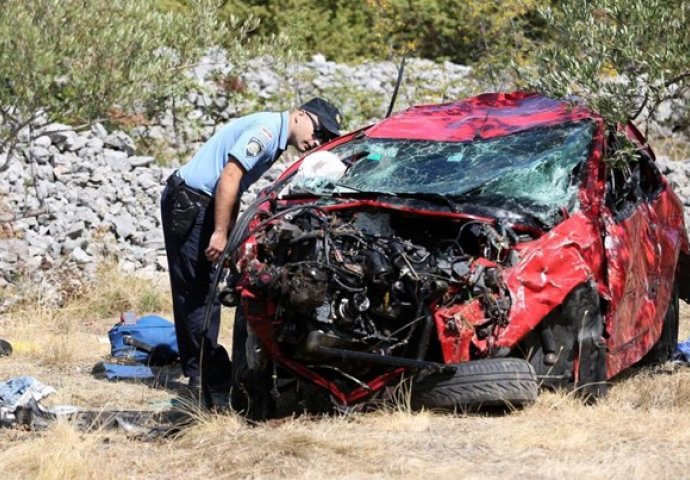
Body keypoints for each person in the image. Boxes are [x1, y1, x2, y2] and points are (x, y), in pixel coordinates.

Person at [160, 98, 342, 395]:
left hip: (202, 203)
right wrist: (220, 232)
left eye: (325, 139)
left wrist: (231, 234)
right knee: (199, 293)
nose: (317, 141)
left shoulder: (277, 136)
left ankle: (202, 370)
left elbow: (235, 187)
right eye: (319, 131)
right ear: (300, 116)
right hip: (191, 204)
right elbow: (229, 178)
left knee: (202, 290)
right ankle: (205, 376)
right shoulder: (267, 132)